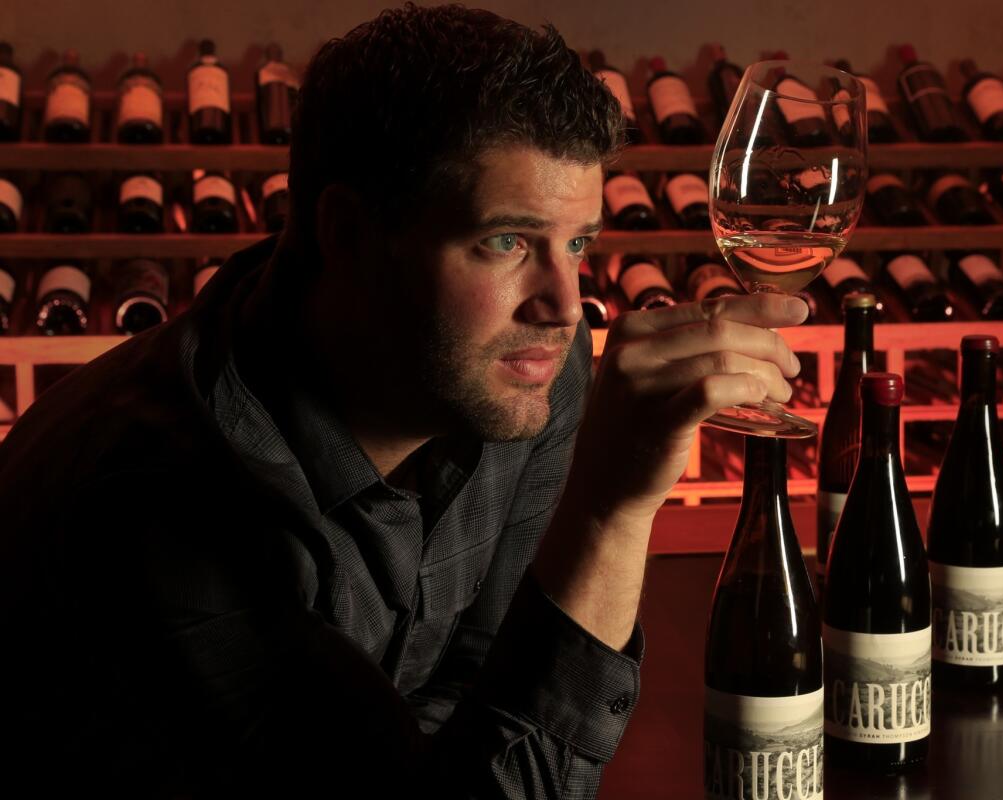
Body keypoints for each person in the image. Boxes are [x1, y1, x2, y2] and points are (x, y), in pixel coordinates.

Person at [0, 5, 805, 796]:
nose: (564, 304)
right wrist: (612, 511)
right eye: (506, 241)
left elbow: (485, 691)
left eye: (578, 244)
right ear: (348, 233)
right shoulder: (163, 510)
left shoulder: (525, 372)